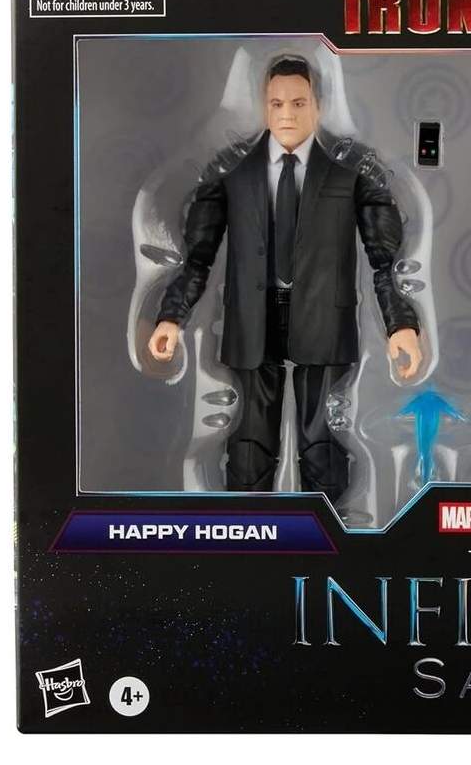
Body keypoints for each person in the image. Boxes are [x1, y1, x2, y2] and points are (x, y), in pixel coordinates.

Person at [149, 54, 421, 499]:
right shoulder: (232, 170)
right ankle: (250, 532)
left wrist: (400, 324)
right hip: (253, 320)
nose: (287, 114)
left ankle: (327, 530)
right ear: (264, 106)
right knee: (250, 447)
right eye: (276, 104)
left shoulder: (350, 170)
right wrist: (171, 317)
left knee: (323, 445)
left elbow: (384, 259)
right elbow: (197, 257)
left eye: (298, 103)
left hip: (324, 319)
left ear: (318, 105)